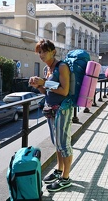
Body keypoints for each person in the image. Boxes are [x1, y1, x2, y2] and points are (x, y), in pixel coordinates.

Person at [28, 39, 73, 192]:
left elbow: (64, 90)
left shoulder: (62, 67)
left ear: (53, 52)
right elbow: (46, 92)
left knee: (64, 144)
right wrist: (38, 85)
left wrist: (45, 82)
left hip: (63, 109)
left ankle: (66, 178)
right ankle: (59, 170)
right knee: (57, 143)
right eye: (39, 52)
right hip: (51, 109)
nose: (41, 54)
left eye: (44, 51)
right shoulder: (46, 69)